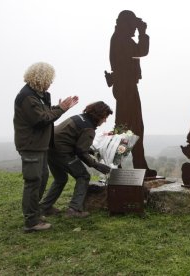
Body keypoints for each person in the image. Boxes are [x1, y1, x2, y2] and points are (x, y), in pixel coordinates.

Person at [14, 62, 79, 233]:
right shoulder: (28, 97)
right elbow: (41, 119)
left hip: (40, 145)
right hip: (31, 146)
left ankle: (35, 214)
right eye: (49, 80)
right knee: (33, 182)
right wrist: (61, 109)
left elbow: (46, 114)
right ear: (40, 78)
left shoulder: (38, 95)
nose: (50, 83)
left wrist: (58, 108)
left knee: (41, 179)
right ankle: (31, 222)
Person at [40, 101, 113, 218]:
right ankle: (74, 209)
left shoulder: (79, 118)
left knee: (60, 178)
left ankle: (45, 207)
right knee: (83, 176)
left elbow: (73, 139)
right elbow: (81, 152)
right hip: (62, 152)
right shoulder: (88, 128)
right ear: (99, 115)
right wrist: (97, 165)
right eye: (105, 117)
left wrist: (89, 150)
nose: (105, 121)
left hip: (49, 148)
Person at [108, 10, 156, 177]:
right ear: (126, 24)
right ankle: (116, 165)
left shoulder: (119, 38)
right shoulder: (122, 40)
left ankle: (125, 165)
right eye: (133, 25)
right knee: (127, 128)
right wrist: (143, 33)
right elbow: (142, 50)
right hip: (126, 87)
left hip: (126, 86)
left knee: (131, 127)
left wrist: (140, 31)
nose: (135, 29)